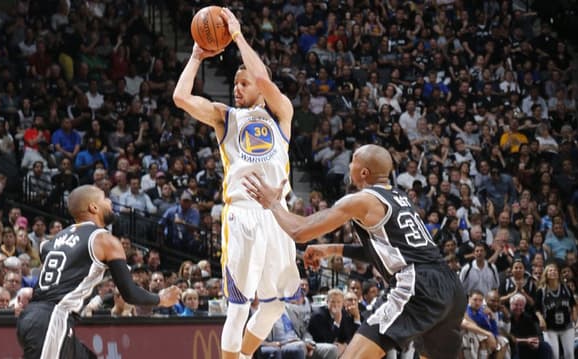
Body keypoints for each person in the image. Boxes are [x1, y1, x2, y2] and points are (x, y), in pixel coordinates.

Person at [243, 144, 467, 359]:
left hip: (418, 284)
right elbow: (383, 253)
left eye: (352, 162)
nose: (348, 166)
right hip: (451, 287)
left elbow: (300, 231)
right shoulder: (400, 197)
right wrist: (330, 249)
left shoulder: (362, 200)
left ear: (363, 172)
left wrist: (272, 203)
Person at [173, 8, 301, 359]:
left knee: (277, 305)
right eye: (234, 84)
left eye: (243, 83)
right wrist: (197, 56)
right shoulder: (226, 117)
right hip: (243, 213)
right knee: (239, 305)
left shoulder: (280, 113)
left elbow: (264, 80)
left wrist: (238, 36)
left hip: (278, 215)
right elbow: (181, 98)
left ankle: (242, 356)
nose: (237, 88)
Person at [15, 185, 181, 359]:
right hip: (53, 319)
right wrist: (161, 299)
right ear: (93, 207)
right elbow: (130, 293)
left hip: (35, 318)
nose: (110, 202)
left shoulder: (51, 242)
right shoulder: (103, 239)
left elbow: (57, 279)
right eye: (105, 198)